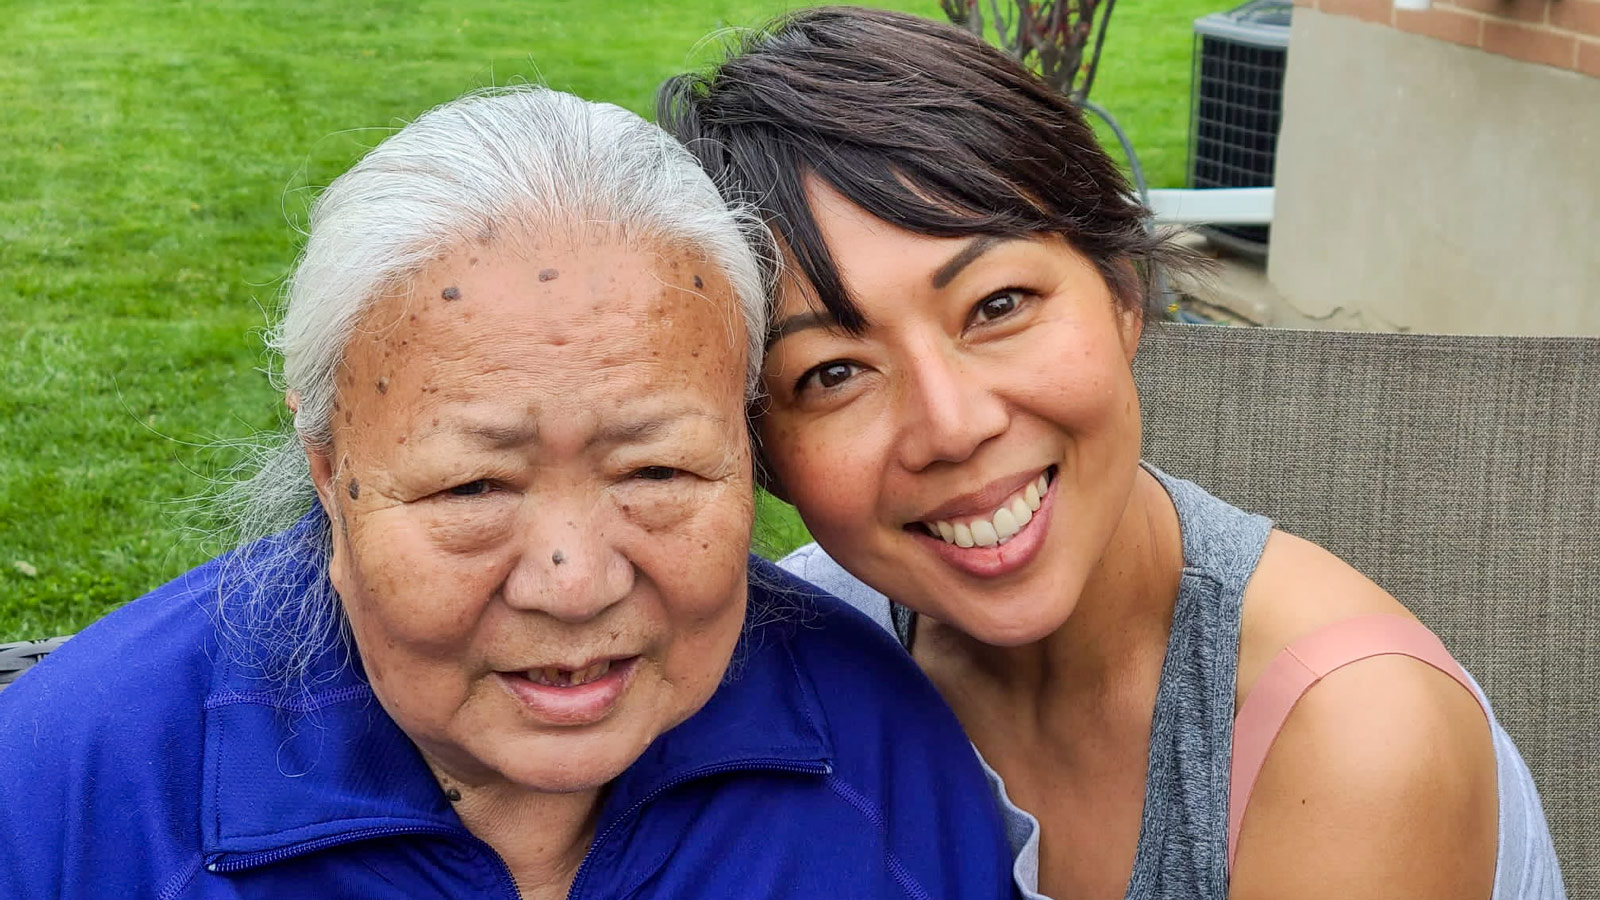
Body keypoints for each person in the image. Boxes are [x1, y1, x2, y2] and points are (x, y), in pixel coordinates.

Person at [0, 86, 1018, 900]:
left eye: (656, 470)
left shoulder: (881, 748)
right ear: (327, 463)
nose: (572, 585)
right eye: (473, 486)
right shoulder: (66, 796)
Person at [659, 8, 1565, 900]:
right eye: (834, 372)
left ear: (1125, 294)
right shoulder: (795, 646)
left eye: (999, 304)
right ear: (760, 450)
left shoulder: (1354, 730)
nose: (953, 425)